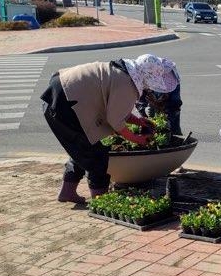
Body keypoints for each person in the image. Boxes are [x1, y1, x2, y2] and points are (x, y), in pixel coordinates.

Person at [41, 54, 180, 203]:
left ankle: (67, 193)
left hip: (62, 97)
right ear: (148, 77)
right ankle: (101, 202)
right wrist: (137, 139)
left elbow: (115, 109)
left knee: (82, 150)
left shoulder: (121, 72)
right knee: (97, 156)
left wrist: (138, 121)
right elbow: (115, 120)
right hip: (64, 105)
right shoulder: (127, 84)